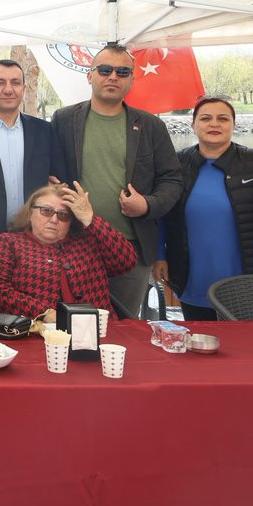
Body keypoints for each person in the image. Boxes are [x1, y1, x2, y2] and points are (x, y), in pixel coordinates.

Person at [52, 43, 183, 317]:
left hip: (131, 248)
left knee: (124, 326)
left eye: (122, 72)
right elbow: (50, 168)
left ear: (132, 79)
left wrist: (147, 204)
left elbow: (172, 180)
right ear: (90, 75)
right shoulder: (63, 119)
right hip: (75, 243)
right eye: (105, 70)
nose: (113, 76)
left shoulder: (151, 126)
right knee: (73, 324)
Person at [155, 97, 253, 320]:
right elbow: (162, 215)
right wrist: (159, 255)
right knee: (201, 337)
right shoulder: (176, 165)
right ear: (193, 125)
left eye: (223, 119)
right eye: (205, 118)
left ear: (234, 124)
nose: (214, 124)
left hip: (250, 280)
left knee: (248, 340)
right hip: (191, 278)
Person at [0, 59, 65, 270]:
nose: (9, 89)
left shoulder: (45, 131)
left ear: (24, 89)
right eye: (0, 83)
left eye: (15, 82)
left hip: (37, 244)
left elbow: (59, 183)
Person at [0, 182, 138, 317]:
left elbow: (127, 261)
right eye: (46, 211)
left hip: (98, 331)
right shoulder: (9, 242)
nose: (54, 219)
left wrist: (90, 219)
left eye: (63, 215)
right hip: (35, 332)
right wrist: (44, 313)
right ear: (30, 214)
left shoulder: (88, 241)